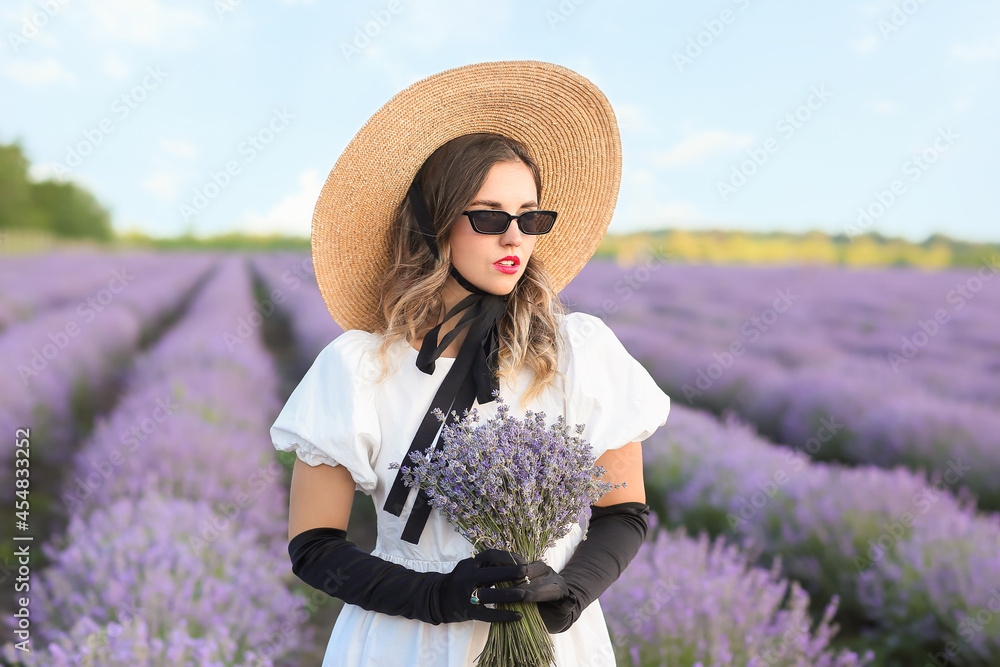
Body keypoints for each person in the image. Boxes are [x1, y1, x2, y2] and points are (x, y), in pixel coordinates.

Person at [270, 60, 671, 667]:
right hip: (406, 642)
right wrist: (438, 596)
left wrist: (571, 591)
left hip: (557, 646)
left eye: (530, 218)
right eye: (489, 217)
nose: (514, 238)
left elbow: (624, 513)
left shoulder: (579, 352)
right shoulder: (360, 366)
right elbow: (315, 546)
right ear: (436, 225)